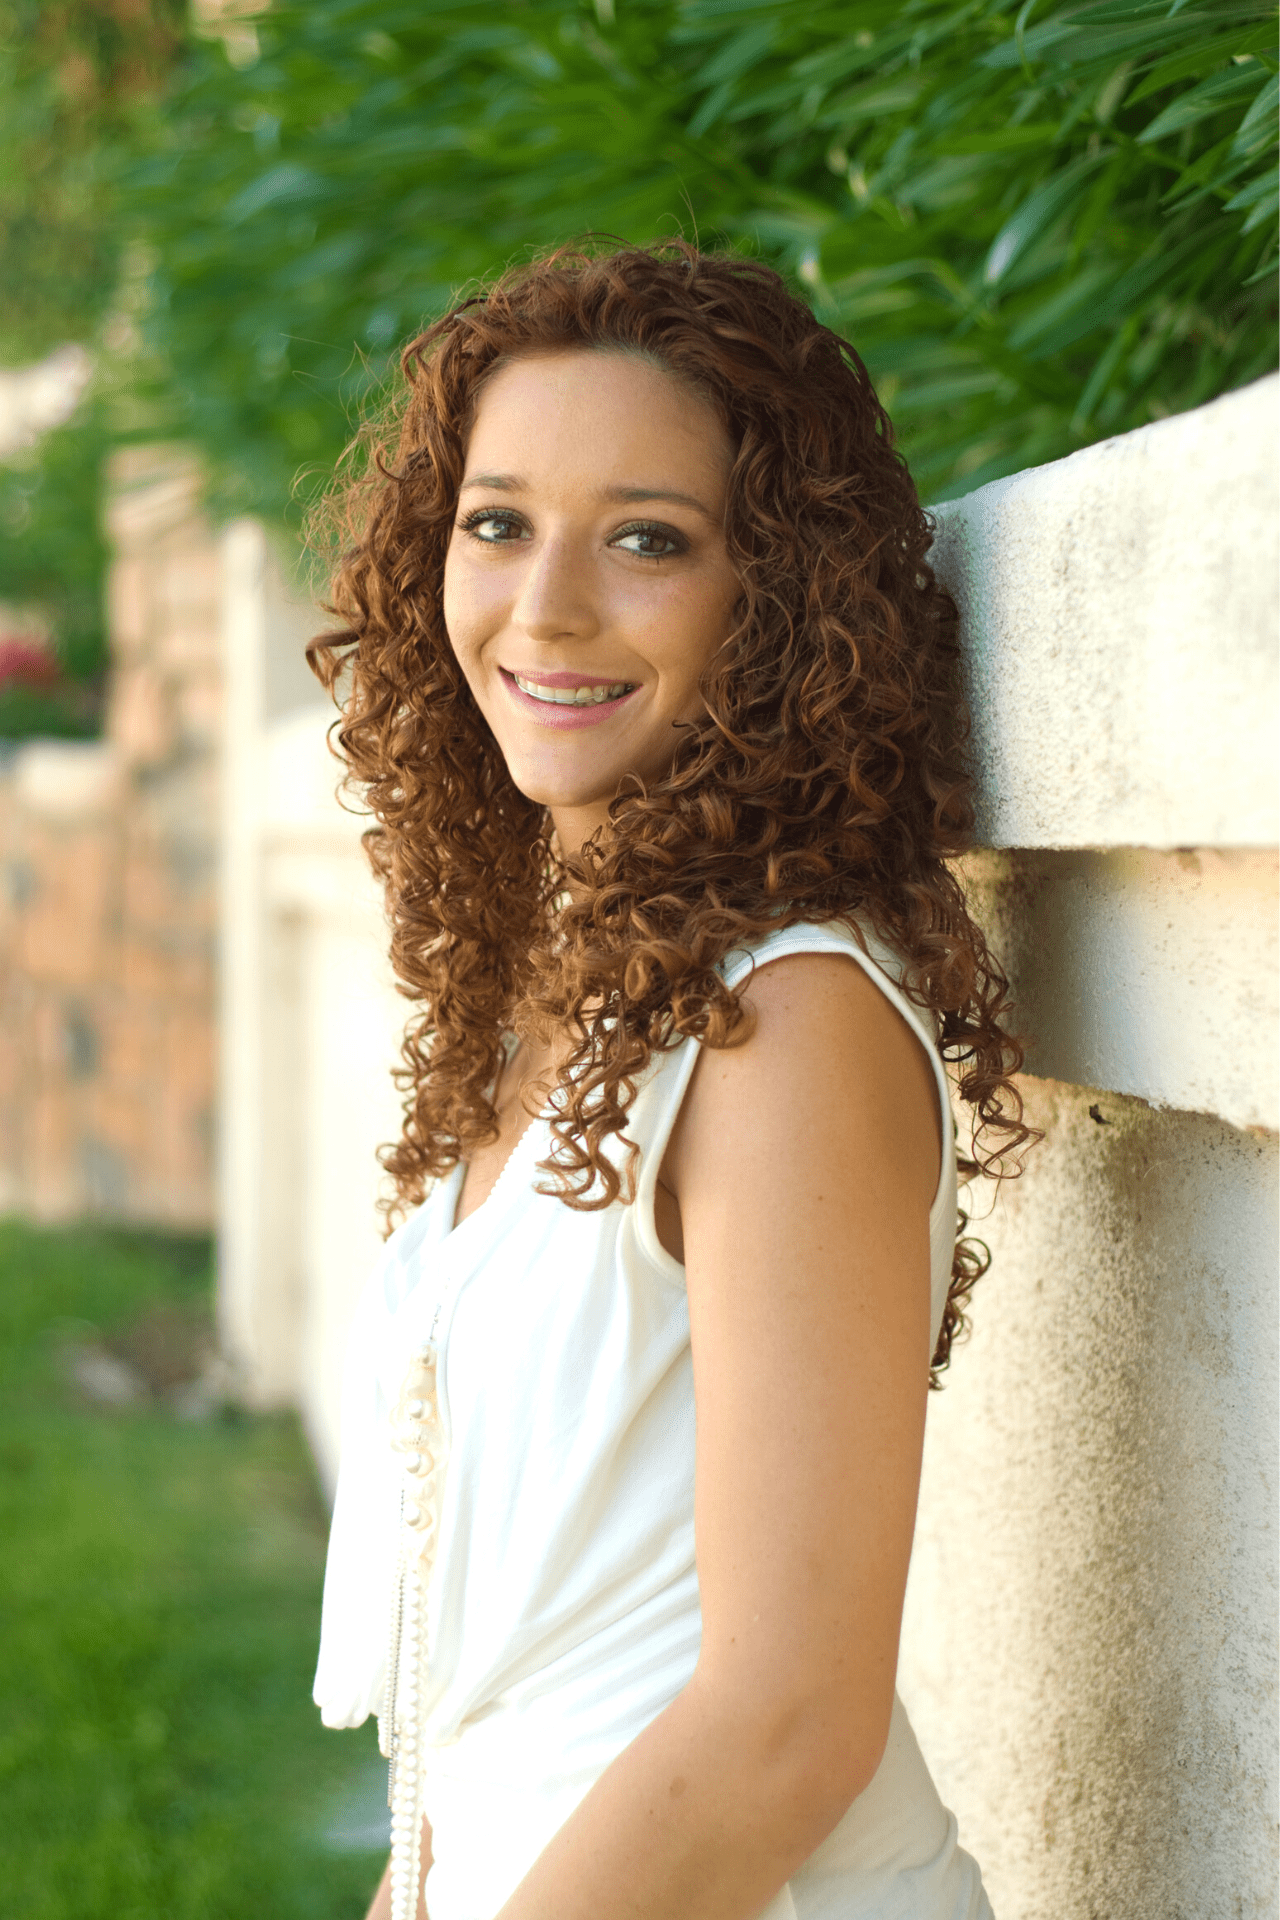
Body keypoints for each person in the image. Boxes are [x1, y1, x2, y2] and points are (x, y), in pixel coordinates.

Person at [309, 240, 1030, 1920]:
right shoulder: (548, 992)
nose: (545, 606)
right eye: (497, 522)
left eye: (648, 539)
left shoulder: (784, 1026)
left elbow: (788, 1723)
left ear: (771, 598)